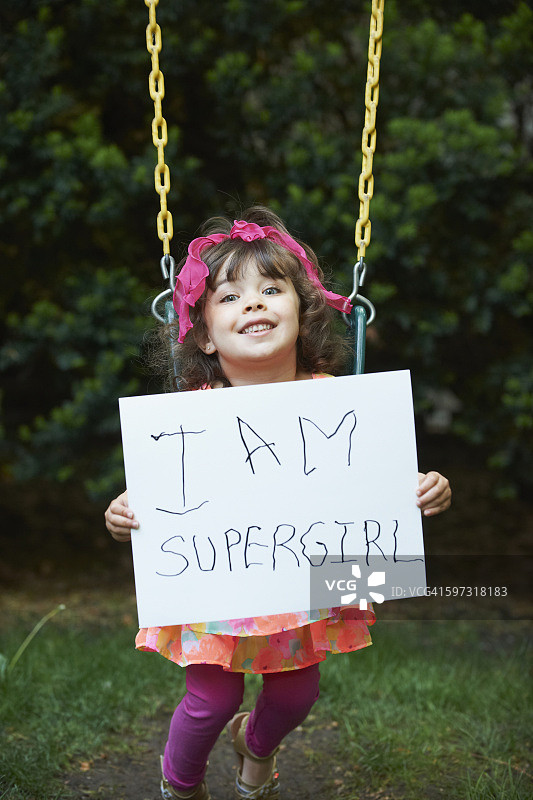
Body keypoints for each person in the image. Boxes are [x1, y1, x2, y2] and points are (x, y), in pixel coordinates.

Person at [105, 206, 451, 800]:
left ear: (302, 310)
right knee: (211, 698)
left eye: (272, 288)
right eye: (231, 296)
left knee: (296, 694)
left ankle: (256, 747)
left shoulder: (340, 406)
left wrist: (422, 490)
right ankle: (180, 783)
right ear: (206, 336)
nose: (255, 303)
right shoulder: (189, 417)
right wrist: (125, 515)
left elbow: (372, 483)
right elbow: (165, 497)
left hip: (304, 583)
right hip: (218, 585)